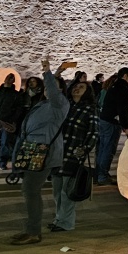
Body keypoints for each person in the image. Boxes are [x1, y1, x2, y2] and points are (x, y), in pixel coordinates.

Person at [9, 55, 70, 246]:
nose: (46, 90)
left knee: (31, 190)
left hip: (44, 153)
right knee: (29, 191)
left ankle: (34, 231)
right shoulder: (43, 104)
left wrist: (48, 71)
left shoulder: (59, 105)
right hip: (31, 149)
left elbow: (53, 90)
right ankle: (31, 229)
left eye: (50, 87)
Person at [51, 72, 98, 232]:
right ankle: (59, 218)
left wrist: (84, 149)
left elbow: (93, 132)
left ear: (87, 92)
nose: (77, 89)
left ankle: (66, 223)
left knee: (66, 191)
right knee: (56, 191)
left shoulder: (90, 110)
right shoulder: (66, 107)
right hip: (58, 153)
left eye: (81, 87)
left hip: (73, 154)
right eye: (76, 86)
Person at [95, 67, 128, 185]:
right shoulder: (122, 88)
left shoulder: (114, 86)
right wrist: (125, 125)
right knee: (109, 149)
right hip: (112, 122)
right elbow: (122, 108)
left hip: (105, 119)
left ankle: (99, 173)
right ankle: (102, 175)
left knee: (103, 148)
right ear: (125, 76)